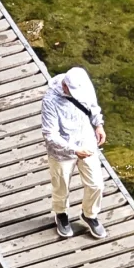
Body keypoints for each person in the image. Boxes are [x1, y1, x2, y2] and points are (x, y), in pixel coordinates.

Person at [39, 66, 107, 238]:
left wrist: (98, 125)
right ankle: (61, 214)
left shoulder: (83, 83)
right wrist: (74, 150)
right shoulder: (50, 101)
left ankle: (89, 214)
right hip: (62, 152)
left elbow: (92, 106)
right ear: (65, 87)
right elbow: (50, 134)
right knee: (61, 186)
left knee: (96, 184)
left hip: (86, 141)